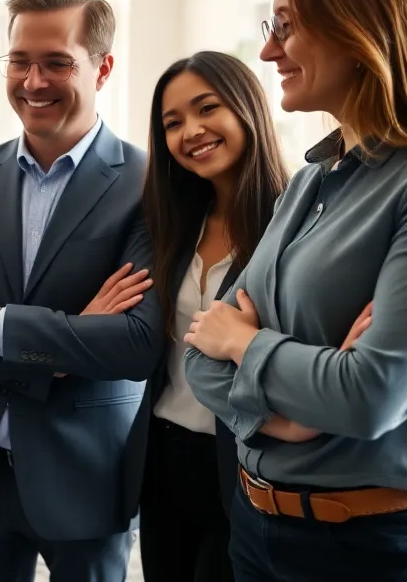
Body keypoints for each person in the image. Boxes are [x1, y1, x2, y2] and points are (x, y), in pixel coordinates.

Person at [184, 0, 407, 582]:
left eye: (287, 26)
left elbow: (369, 397)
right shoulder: (311, 180)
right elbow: (199, 357)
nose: (269, 50)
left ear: (361, 30)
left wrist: (248, 346)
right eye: (268, 26)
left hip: (383, 546)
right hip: (258, 526)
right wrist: (298, 415)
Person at [0, 0, 160, 581]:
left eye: (57, 62)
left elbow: (135, 344)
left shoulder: (151, 184)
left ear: (102, 68)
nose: (33, 82)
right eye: (19, 62)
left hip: (87, 474)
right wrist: (73, 338)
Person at [136, 51, 289, 582]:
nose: (190, 132)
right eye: (172, 123)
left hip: (244, 457)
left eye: (207, 109)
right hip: (162, 453)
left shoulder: (292, 221)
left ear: (246, 107)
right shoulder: (174, 223)